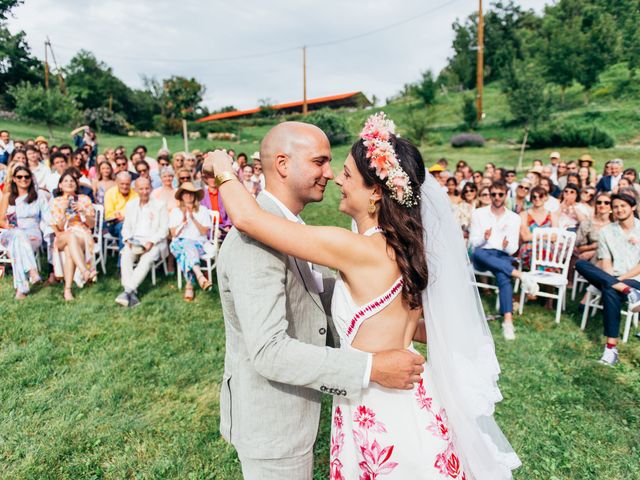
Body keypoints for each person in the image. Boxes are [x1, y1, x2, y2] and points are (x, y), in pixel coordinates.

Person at [208, 116, 519, 479]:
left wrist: (222, 170)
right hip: (414, 397)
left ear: (375, 192)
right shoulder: (406, 246)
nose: (335, 178)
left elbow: (246, 218)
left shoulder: (353, 248)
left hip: (379, 407)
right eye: (322, 163)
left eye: (346, 173)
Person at [576, 193, 640, 366]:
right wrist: (614, 280)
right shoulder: (606, 231)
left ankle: (611, 350)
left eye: (623, 206)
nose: (619, 209)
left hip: (636, 278)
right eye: (616, 206)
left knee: (610, 288)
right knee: (581, 264)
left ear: (633, 207)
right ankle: (628, 292)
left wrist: (617, 281)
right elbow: (606, 261)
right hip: (614, 276)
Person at [470, 181, 539, 340]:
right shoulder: (478, 214)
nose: (496, 197)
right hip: (483, 255)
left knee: (503, 276)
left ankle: (508, 322)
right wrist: (484, 238)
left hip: (501, 254)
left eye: (500, 194)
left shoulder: (514, 218)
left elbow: (513, 248)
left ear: (506, 195)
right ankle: (521, 276)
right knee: (480, 253)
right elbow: (473, 244)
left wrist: (506, 247)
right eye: (493, 194)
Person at [115, 177, 169, 308]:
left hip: (155, 241)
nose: (144, 191)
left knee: (147, 259)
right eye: (141, 189)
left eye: (147, 188)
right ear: (136, 189)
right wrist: (127, 239)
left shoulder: (159, 205)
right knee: (126, 256)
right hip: (135, 240)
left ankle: (127, 291)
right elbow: (126, 227)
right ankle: (131, 293)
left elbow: (164, 229)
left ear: (150, 188)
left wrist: (151, 241)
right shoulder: (131, 205)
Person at [0, 165, 49, 299]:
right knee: (18, 233)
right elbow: (0, 220)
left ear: (31, 179)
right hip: (9, 233)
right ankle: (32, 271)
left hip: (32, 234)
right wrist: (6, 224)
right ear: (14, 179)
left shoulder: (39, 197)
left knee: (17, 245)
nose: (23, 179)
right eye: (20, 177)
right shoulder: (8, 196)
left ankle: (21, 290)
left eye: (26, 177)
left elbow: (47, 218)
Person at [50, 171, 97, 301]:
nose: (69, 183)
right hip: (63, 234)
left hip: (81, 233)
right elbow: (58, 227)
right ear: (60, 185)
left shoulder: (84, 199)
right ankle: (85, 271)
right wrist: (64, 211)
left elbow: (92, 225)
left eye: (72, 181)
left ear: (76, 184)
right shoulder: (56, 201)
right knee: (70, 236)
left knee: (69, 249)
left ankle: (67, 290)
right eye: (66, 181)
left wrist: (83, 212)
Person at [169, 182, 213, 301]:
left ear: (195, 196)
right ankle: (200, 276)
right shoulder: (175, 211)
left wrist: (192, 218)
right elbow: (174, 234)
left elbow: (204, 232)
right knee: (187, 244)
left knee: (187, 249)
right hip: (178, 244)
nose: (188, 196)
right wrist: (183, 222)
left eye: (191, 193)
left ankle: (189, 284)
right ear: (182, 196)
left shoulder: (202, 210)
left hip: (198, 244)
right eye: (185, 193)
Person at [518, 186, 558, 271]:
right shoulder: (524, 214)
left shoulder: (552, 215)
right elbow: (525, 237)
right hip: (529, 247)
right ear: (531, 199)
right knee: (536, 249)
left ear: (546, 198)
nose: (537, 199)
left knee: (545, 250)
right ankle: (539, 280)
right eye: (534, 197)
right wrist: (546, 235)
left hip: (547, 248)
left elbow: (554, 237)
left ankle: (537, 281)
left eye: (540, 196)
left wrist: (533, 235)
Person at [104, 172, 138, 250]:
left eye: (127, 184)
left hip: (132, 225)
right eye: (122, 184)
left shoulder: (135, 194)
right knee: (123, 228)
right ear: (117, 183)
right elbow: (109, 215)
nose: (125, 186)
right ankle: (123, 260)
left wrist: (124, 217)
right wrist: (124, 217)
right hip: (114, 225)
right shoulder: (110, 193)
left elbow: (136, 213)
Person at [201, 169, 232, 240]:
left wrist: (228, 225)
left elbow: (230, 211)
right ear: (206, 179)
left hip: (224, 227)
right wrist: (212, 228)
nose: (213, 180)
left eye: (215, 177)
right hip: (210, 227)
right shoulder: (202, 196)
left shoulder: (224, 194)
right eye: (211, 177)